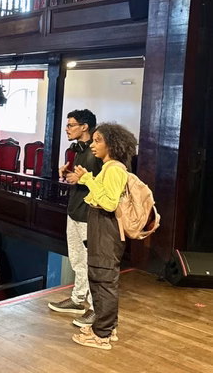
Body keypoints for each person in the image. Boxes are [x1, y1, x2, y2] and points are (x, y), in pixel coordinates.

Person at [70, 123, 137, 351]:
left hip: (107, 231)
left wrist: (89, 181)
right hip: (101, 229)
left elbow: (108, 203)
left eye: (98, 140)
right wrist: (87, 178)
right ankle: (106, 327)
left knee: (105, 281)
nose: (93, 145)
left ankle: (102, 335)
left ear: (112, 144)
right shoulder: (108, 168)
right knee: (99, 279)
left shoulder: (115, 169)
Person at [48, 109, 102, 327]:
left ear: (84, 127)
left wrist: (80, 179)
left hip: (89, 214)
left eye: (71, 125)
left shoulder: (96, 152)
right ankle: (78, 300)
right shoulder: (79, 150)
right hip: (74, 211)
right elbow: (79, 178)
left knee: (92, 263)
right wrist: (68, 175)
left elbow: (102, 183)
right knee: (78, 260)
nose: (67, 129)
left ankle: (95, 308)